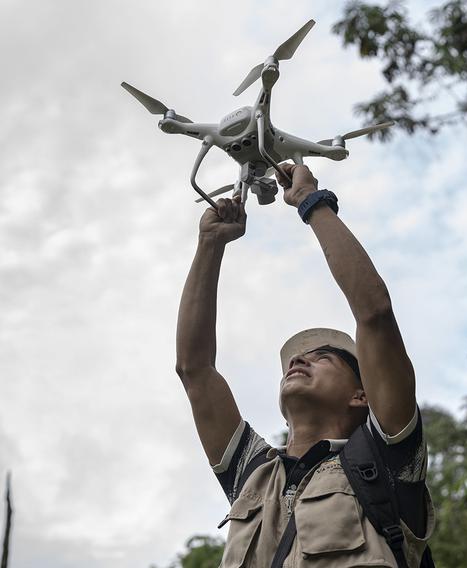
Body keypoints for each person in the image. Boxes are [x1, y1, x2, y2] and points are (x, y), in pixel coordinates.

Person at [174, 163, 434, 567]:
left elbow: (375, 314)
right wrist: (210, 245)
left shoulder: (386, 460)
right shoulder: (252, 472)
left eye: (323, 357)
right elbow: (194, 369)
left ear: (361, 395)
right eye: (295, 360)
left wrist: (312, 203)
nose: (298, 360)